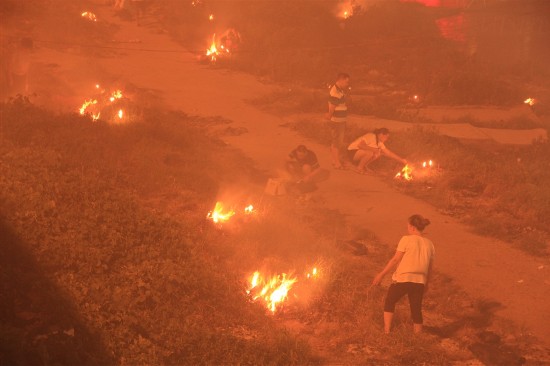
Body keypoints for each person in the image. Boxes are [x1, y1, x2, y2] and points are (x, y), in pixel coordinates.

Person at [372, 214, 435, 334]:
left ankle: (387, 331)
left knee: (390, 301)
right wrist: (427, 284)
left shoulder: (406, 239)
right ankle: (417, 338)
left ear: (412, 227)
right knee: (416, 309)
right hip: (420, 281)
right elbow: (430, 268)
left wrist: (381, 274)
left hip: (404, 278)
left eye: (408, 225)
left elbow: (395, 259)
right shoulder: (430, 244)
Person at [326, 73, 350, 170]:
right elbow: (332, 106)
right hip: (337, 121)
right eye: (346, 81)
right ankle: (337, 163)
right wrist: (329, 115)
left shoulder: (339, 90)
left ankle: (334, 160)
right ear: (341, 80)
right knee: (337, 142)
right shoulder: (335, 91)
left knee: (335, 141)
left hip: (340, 120)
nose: (347, 84)